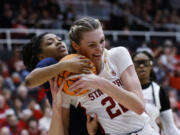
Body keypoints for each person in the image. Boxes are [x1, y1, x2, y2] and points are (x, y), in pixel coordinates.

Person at [62, 17, 159, 135]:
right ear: (76, 45)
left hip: (144, 131)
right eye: (92, 45)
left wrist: (99, 83)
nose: (100, 48)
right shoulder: (71, 79)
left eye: (102, 41)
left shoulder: (117, 55)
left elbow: (138, 106)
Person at [22, 33, 99, 135]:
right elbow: (29, 81)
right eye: (50, 43)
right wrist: (64, 65)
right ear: (41, 56)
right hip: (74, 127)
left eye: (59, 39)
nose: (58, 42)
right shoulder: (50, 61)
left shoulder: (72, 60)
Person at [132, 50, 180, 135]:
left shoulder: (159, 91)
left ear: (151, 65)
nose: (142, 66)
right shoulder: (123, 89)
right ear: (132, 66)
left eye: (145, 62)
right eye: (138, 63)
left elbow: (170, 128)